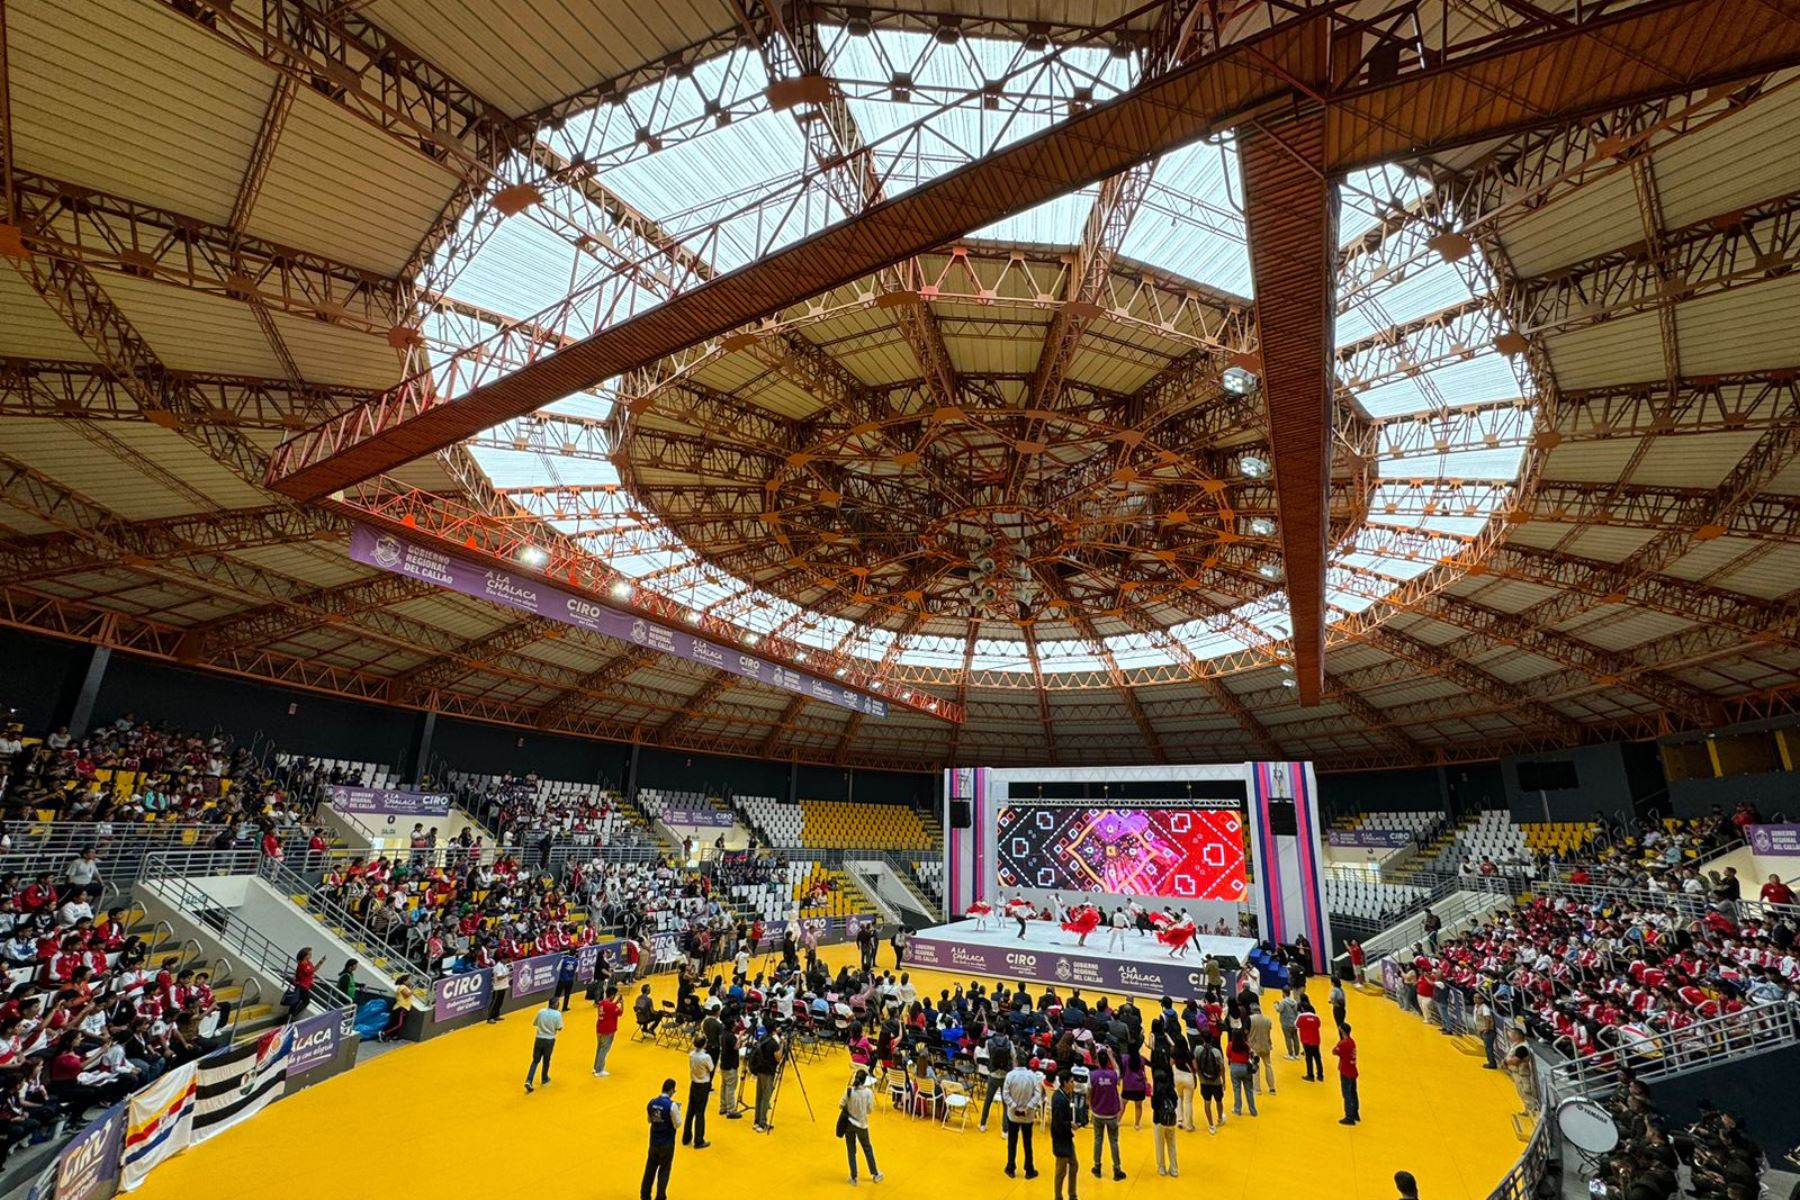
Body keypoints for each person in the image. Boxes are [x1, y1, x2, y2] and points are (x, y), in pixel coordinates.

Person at [1087, 1046, 1124, 1180]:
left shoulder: (1092, 1076)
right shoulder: (1114, 1075)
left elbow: (1089, 1092)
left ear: (1097, 1061)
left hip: (1098, 1113)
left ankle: (1097, 1167)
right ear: (1107, 1061)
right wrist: (1111, 1056)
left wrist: (1091, 1105)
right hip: (1112, 1113)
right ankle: (1117, 1169)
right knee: (1113, 1141)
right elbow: (1118, 1069)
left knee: (1098, 1140)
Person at [1002, 1053, 1042, 1178]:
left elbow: (1005, 1094)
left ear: (1016, 1062)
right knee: (1027, 1143)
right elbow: (1037, 1094)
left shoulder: (1010, 1075)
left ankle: (1011, 1167)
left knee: (1012, 1142)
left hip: (1013, 1115)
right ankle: (1029, 1169)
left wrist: (1013, 1106)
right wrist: (1028, 1107)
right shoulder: (1032, 1076)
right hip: (1027, 1115)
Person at [840, 1067, 882, 1185]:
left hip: (849, 1123)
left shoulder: (849, 1091)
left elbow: (841, 1104)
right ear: (864, 1081)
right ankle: (875, 1174)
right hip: (862, 1124)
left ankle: (853, 1177)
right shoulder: (868, 1093)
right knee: (867, 1148)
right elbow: (869, 1110)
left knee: (851, 1150)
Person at [643, 1078, 680, 1200]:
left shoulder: (651, 1102)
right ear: (670, 1091)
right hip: (667, 1142)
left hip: (654, 1141)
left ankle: (645, 1194)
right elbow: (677, 1124)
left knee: (650, 1169)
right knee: (664, 1170)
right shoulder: (672, 1106)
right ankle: (660, 1196)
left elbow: (649, 1120)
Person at [1150, 1043, 1178, 1178]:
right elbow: (1176, 1102)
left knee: (1159, 1145)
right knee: (1172, 1144)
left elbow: (1154, 1106)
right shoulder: (1171, 1090)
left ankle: (1162, 1168)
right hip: (1171, 1120)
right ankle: (1174, 1169)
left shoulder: (1156, 1093)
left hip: (1159, 1120)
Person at [525, 997, 563, 1093]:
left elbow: (535, 1023)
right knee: (546, 1060)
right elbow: (559, 1027)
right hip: (549, 1040)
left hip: (539, 1038)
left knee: (535, 1061)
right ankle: (544, 1078)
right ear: (555, 1004)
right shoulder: (558, 1014)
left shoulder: (541, 1012)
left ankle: (529, 1080)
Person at [1050, 1071, 1078, 1200]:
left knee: (1074, 1165)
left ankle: (1072, 1195)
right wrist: (1070, 1125)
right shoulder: (1059, 1100)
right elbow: (1058, 1123)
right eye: (1071, 1082)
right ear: (1065, 1083)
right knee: (1061, 1171)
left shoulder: (1064, 1095)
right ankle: (1058, 1197)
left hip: (1067, 1137)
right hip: (1061, 1139)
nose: (1073, 1084)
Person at [683, 1034, 713, 1148]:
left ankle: (686, 1137)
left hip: (694, 1083)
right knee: (700, 1112)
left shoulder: (691, 1054)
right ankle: (699, 1140)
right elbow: (711, 1068)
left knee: (690, 1111)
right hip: (703, 1084)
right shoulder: (706, 1057)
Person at [751, 1025, 782, 1132]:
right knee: (766, 1097)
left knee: (759, 1096)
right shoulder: (773, 1043)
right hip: (768, 1071)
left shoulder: (763, 1038)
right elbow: (778, 1058)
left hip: (759, 1069)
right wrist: (781, 1045)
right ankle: (762, 1123)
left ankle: (756, 1120)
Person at [1195, 1034, 1225, 1134]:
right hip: (1216, 1082)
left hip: (1204, 1081)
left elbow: (1195, 1064)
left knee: (1207, 1102)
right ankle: (1220, 1118)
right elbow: (1222, 1067)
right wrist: (1223, 1080)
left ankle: (1211, 1125)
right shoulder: (1216, 1052)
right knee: (1219, 1100)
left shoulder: (1198, 1050)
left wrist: (1198, 1075)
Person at [1333, 1023, 1359, 1125]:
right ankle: (1355, 1113)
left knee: (1346, 1094)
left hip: (1345, 1070)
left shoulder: (1343, 1043)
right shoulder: (1352, 1042)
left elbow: (1335, 1051)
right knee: (1353, 1092)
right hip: (1352, 1070)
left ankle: (1349, 1116)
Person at [594, 985, 622, 1077]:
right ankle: (599, 1070)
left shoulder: (601, 1003)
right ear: (613, 995)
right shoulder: (611, 1005)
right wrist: (621, 1003)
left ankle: (596, 1067)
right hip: (608, 1030)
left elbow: (609, 1009)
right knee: (604, 1049)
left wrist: (616, 1002)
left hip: (600, 1028)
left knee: (599, 1048)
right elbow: (620, 1012)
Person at [1249, 1003, 1276, 1094]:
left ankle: (1257, 1089)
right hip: (1266, 1045)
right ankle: (1272, 1088)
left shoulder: (1250, 1019)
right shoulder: (1268, 1020)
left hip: (1254, 1046)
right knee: (1268, 1065)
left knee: (1255, 1067)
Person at [287, 947, 322, 1017]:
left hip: (306, 985)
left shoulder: (309, 963)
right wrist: (319, 964)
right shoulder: (302, 964)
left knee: (297, 1000)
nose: (311, 955)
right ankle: (293, 1014)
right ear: (305, 955)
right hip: (302, 985)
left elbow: (313, 969)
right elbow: (309, 972)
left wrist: (320, 963)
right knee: (305, 1001)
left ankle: (291, 1015)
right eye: (309, 954)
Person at [1297, 997, 1324, 1082]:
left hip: (1306, 1041)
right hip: (1316, 1040)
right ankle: (1320, 1075)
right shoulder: (1316, 1018)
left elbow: (1297, 1025)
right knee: (1318, 1058)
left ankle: (1310, 1075)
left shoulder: (1302, 1017)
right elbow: (1318, 1025)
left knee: (1309, 1058)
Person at [487, 958, 511, 1024]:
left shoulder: (504, 965)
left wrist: (506, 985)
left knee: (499, 1002)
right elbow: (499, 977)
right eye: (506, 959)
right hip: (498, 987)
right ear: (502, 959)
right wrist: (507, 975)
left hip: (503, 986)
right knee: (495, 1002)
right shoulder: (498, 967)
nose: (507, 960)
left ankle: (496, 1015)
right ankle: (490, 1018)